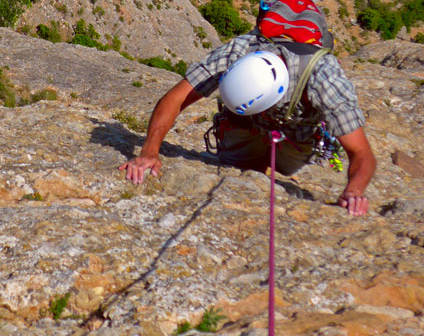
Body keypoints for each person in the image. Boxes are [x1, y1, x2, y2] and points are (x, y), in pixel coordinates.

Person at [119, 33, 376, 216]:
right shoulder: (236, 53)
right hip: (246, 125)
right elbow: (175, 98)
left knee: (287, 166)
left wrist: (354, 190)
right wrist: (149, 152)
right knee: (240, 164)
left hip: (298, 135)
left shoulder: (324, 79)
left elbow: (361, 152)